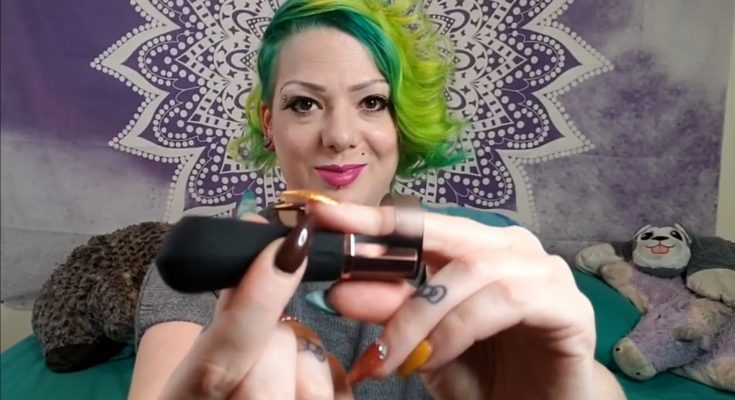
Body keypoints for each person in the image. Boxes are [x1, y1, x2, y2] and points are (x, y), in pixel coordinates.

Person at [128, 0, 627, 398]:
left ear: (401, 123)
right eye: (304, 104)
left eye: (372, 102)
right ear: (269, 123)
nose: (340, 136)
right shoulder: (207, 262)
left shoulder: (485, 251)